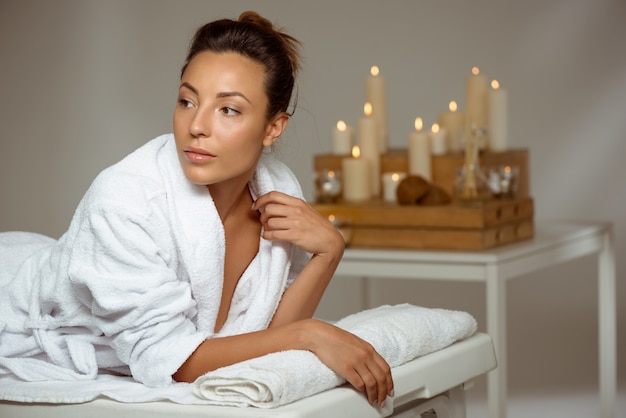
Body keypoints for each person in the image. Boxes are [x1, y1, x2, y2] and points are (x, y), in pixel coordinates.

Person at [0, 11, 393, 406]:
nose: (197, 125)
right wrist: (310, 334)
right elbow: (173, 359)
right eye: (188, 100)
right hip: (17, 309)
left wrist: (328, 253)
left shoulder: (276, 190)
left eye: (229, 110)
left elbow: (266, 341)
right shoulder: (125, 198)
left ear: (273, 128)